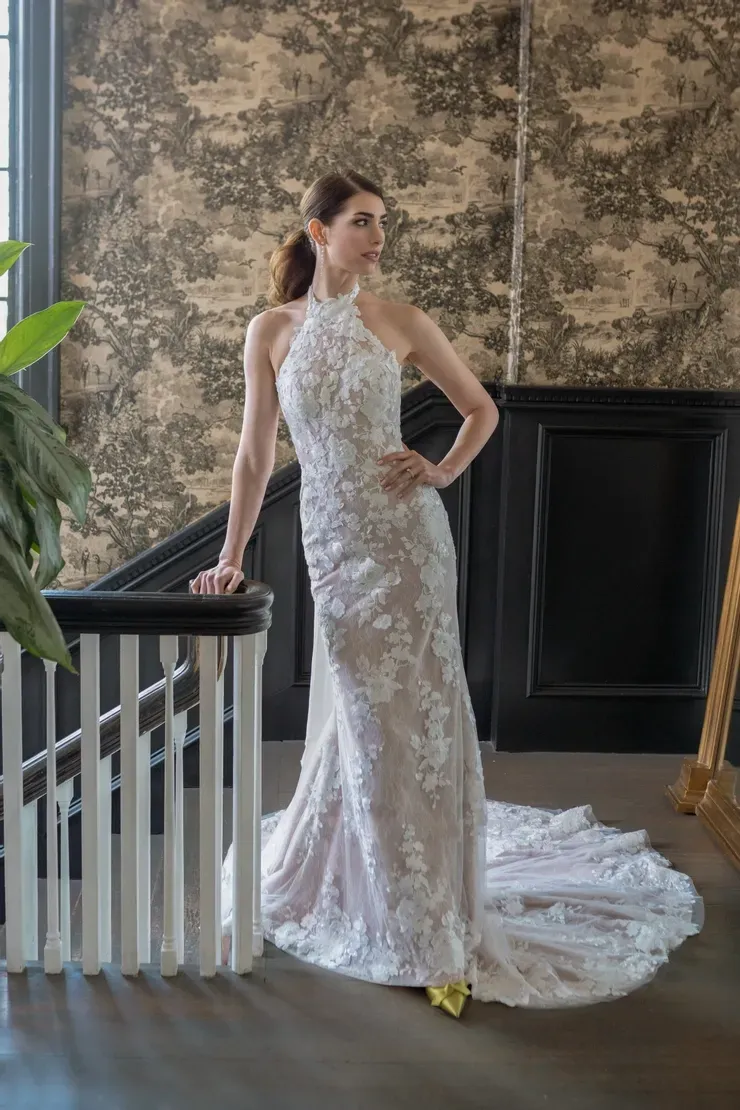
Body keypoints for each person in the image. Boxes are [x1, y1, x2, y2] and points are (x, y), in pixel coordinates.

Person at [191, 169, 702, 1018]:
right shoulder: (271, 331)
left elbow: (480, 410)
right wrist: (230, 554)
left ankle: (430, 917)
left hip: (408, 541)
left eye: (384, 223)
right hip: (334, 540)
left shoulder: (401, 322)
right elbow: (253, 457)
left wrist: (441, 470)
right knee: (361, 712)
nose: (378, 238)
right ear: (318, 232)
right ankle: (371, 885)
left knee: (419, 714)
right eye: (362, 222)